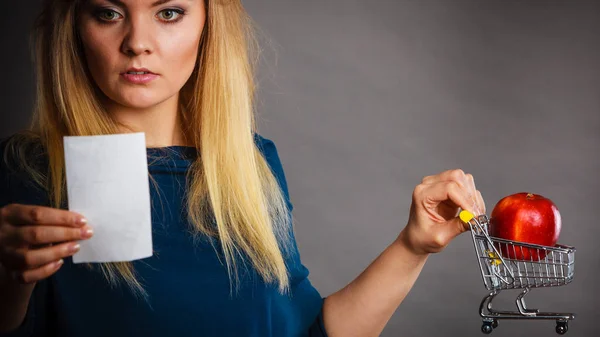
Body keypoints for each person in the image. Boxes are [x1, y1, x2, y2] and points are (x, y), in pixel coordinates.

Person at [0, 0, 486, 336]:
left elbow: (307, 331)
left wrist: (413, 245)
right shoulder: (30, 173)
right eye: (108, 13)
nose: (137, 42)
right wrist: (5, 280)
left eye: (169, 12)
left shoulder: (250, 166)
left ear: (209, 22)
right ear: (75, 26)